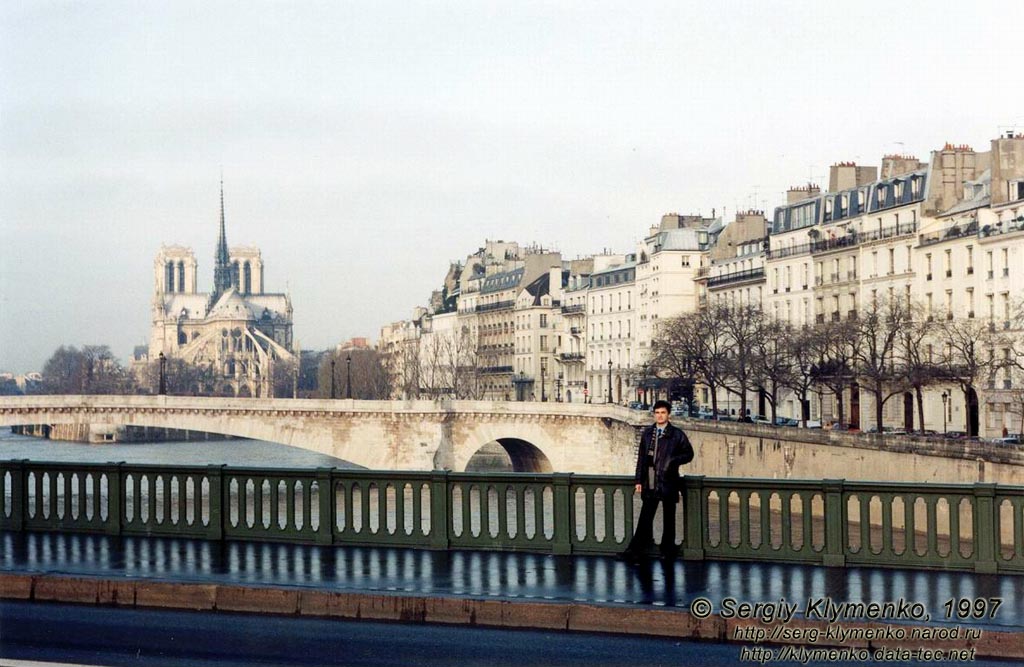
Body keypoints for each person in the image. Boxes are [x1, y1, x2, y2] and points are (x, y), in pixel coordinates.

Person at [619, 400, 694, 563]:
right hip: (651, 477)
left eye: (663, 413)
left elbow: (689, 454)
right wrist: (638, 479)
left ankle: (667, 550)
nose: (660, 416)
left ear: (668, 414)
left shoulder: (677, 434)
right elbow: (641, 460)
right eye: (657, 413)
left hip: (669, 479)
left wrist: (673, 461)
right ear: (654, 414)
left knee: (669, 517)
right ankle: (635, 549)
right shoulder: (648, 433)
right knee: (646, 516)